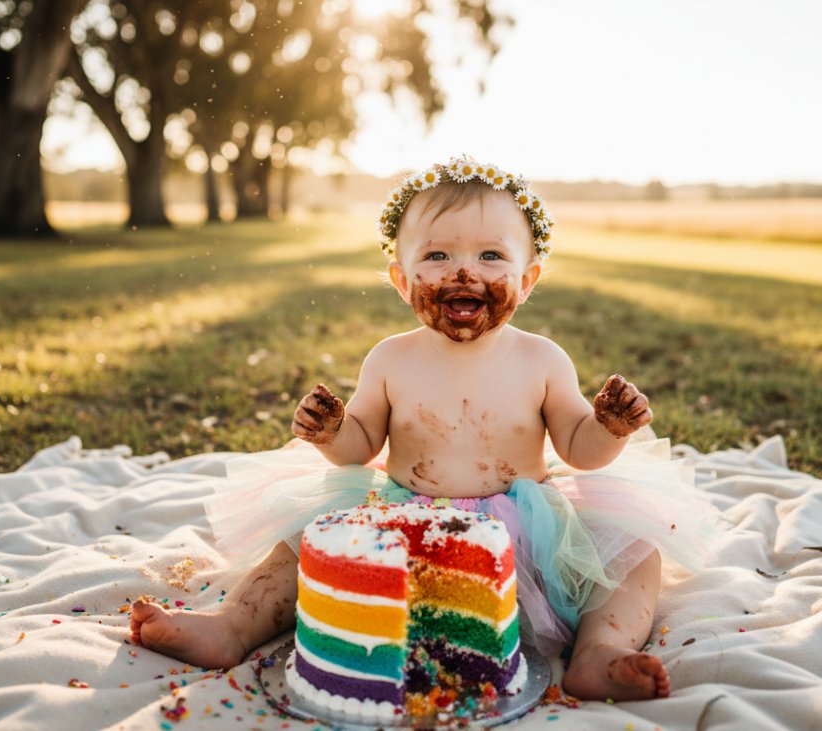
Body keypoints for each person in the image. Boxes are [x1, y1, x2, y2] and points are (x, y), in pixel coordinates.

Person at [128, 156, 720, 701]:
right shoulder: (390, 359)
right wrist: (333, 431)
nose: (464, 269)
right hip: (401, 522)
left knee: (635, 550)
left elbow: (579, 451)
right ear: (400, 278)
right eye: (437, 256)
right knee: (302, 544)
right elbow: (360, 448)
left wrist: (609, 429)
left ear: (530, 277)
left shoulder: (542, 360)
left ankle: (599, 651)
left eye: (492, 256)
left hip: (521, 541)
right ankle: (232, 626)